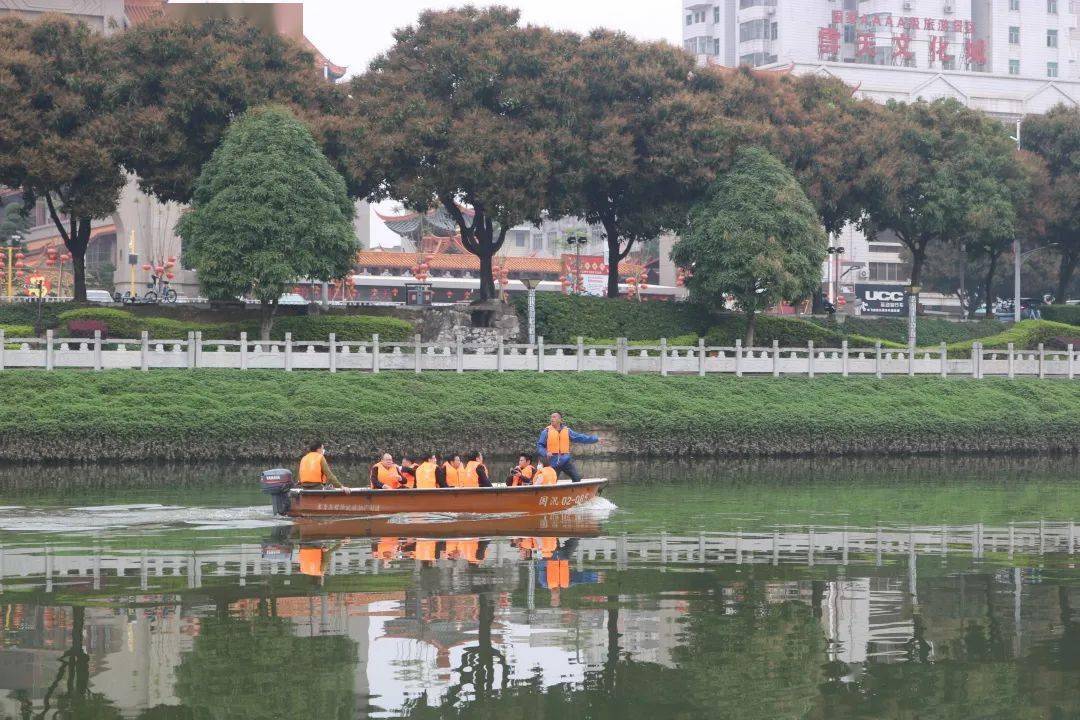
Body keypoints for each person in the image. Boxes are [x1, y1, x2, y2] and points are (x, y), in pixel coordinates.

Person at [536, 412, 599, 483]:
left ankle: (576, 493)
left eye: (554, 417)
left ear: (560, 419)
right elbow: (539, 446)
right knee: (550, 481)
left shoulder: (567, 431)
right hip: (552, 462)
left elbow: (580, 437)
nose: (552, 419)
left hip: (565, 461)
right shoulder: (546, 432)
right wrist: (546, 452)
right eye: (551, 417)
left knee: (577, 478)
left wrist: (596, 439)